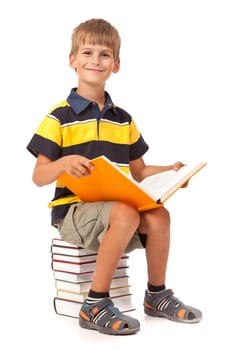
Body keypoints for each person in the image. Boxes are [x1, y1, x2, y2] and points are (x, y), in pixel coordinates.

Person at [27, 18, 202, 335]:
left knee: (159, 216)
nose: (95, 60)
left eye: (104, 55)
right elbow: (39, 176)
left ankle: (156, 294)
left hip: (118, 208)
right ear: (73, 61)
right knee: (125, 212)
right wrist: (64, 163)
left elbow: (138, 171)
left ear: (116, 65)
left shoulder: (124, 120)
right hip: (74, 211)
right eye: (87, 52)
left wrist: (172, 173)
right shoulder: (59, 117)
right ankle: (94, 303)